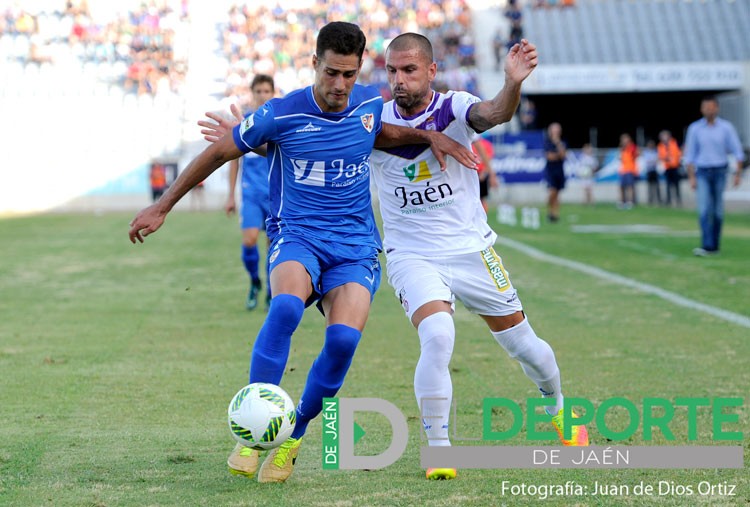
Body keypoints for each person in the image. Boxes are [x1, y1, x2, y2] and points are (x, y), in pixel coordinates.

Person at [129, 21, 478, 484]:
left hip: (355, 246)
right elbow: (218, 154)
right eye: (331, 73)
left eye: (349, 75)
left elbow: (382, 133)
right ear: (314, 63)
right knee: (286, 309)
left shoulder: (371, 105)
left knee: (343, 341)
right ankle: (253, 433)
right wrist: (162, 205)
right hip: (298, 236)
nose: (340, 85)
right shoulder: (281, 113)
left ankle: (291, 438)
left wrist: (431, 137)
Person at [370, 33, 589, 481]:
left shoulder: (453, 107)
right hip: (412, 255)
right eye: (392, 70)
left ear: (432, 71)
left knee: (527, 348)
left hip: (473, 251)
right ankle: (440, 450)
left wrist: (512, 84)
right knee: (437, 334)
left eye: (409, 70)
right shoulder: (373, 120)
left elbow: (492, 113)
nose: (399, 80)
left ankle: (560, 409)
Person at [225, 74, 275, 310]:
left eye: (267, 91)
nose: (263, 95)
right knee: (249, 239)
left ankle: (271, 292)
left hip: (275, 194)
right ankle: (255, 282)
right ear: (253, 93)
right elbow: (234, 160)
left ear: (272, 93)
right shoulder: (245, 121)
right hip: (251, 193)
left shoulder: (278, 121)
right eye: (259, 91)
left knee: (272, 246)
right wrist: (230, 195)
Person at [683, 96, 745, 256]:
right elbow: (690, 155)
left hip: (720, 171)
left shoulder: (726, 128)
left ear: (717, 108)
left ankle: (715, 245)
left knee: (717, 211)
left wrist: (738, 174)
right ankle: (707, 245)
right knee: (704, 209)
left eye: (711, 107)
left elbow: (738, 152)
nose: (708, 110)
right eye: (705, 107)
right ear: (701, 109)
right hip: (702, 172)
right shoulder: (695, 128)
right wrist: (691, 177)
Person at [543, 122, 566, 222]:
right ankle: (550, 211)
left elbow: (563, 155)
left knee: (557, 193)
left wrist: (558, 143)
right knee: (552, 191)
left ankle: (555, 214)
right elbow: (549, 157)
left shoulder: (562, 142)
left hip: (559, 171)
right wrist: (558, 156)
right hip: (550, 171)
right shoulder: (547, 142)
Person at [472, 136, 499, 212]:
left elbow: (488, 159)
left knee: (481, 198)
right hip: (472, 172)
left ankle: (483, 217)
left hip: (480, 173)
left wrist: (485, 173)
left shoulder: (486, 144)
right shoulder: (471, 143)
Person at [658, 130, 683, 207]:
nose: (664, 138)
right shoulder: (660, 146)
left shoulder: (674, 143)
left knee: (677, 184)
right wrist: (665, 158)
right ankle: (668, 200)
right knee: (668, 185)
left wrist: (677, 160)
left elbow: (679, 153)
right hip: (667, 168)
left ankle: (678, 200)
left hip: (675, 167)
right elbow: (660, 156)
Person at [618, 133, 639, 209]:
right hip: (623, 170)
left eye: (625, 139)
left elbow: (637, 154)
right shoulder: (621, 148)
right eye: (623, 139)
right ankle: (622, 202)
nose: (624, 140)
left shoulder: (632, 147)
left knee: (630, 187)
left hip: (630, 170)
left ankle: (630, 202)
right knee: (621, 187)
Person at [642, 139, 661, 206]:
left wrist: (653, 161)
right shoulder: (646, 152)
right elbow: (647, 161)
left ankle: (659, 200)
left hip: (655, 171)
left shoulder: (656, 152)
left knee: (657, 186)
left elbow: (657, 160)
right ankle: (650, 200)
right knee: (650, 187)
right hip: (649, 171)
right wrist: (653, 161)